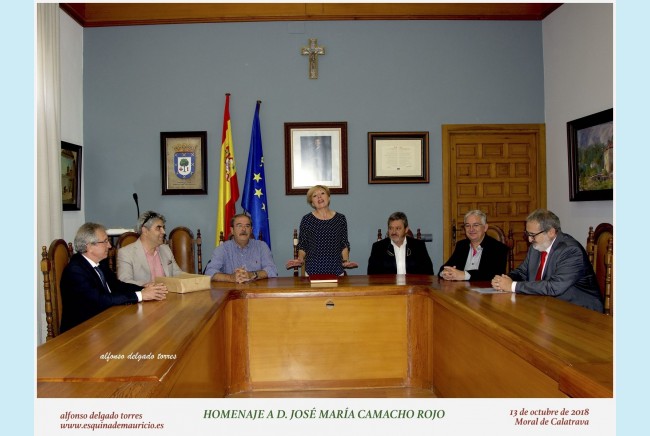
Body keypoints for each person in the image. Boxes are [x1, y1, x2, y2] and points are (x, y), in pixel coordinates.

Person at [60, 222, 168, 333]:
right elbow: (101, 300)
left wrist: (142, 288)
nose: (110, 246)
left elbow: (117, 285)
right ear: (89, 246)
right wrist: (141, 295)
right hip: (80, 332)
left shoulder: (100, 263)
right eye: (105, 241)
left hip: (102, 323)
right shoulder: (75, 271)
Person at [491, 209, 603, 313]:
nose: (529, 240)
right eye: (527, 234)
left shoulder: (571, 251)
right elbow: (522, 272)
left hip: (580, 311)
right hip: (548, 306)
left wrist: (512, 286)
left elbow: (554, 287)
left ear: (551, 232)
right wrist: (505, 279)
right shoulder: (536, 247)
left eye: (533, 235)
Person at [285, 185, 358, 276]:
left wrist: (346, 260)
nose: (319, 197)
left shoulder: (340, 218)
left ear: (329, 197)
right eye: (315, 196)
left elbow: (344, 243)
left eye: (322, 193)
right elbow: (303, 244)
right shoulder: (307, 219)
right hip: (313, 270)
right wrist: (300, 259)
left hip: (336, 270)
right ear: (312, 203)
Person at [204, 213, 278, 283]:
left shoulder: (261, 246)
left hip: (256, 292)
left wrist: (252, 275)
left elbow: (272, 270)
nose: (243, 229)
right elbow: (209, 272)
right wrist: (231, 278)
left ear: (251, 230)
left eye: (247, 226)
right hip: (230, 293)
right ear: (232, 230)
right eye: (239, 226)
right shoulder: (223, 249)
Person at [117, 211, 183, 286]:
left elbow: (178, 275)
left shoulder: (166, 249)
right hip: (144, 296)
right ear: (145, 230)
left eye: (163, 228)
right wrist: (148, 286)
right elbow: (124, 281)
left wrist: (195, 280)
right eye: (158, 228)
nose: (163, 232)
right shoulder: (126, 253)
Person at [439, 210, 508, 281]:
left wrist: (464, 275)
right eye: (467, 225)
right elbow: (445, 267)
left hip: (485, 290)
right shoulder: (461, 245)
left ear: (485, 227)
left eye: (476, 225)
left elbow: (494, 274)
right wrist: (445, 273)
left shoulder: (498, 248)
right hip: (461, 290)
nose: (471, 229)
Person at [367, 211, 433, 275]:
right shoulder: (378, 247)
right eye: (391, 228)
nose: (393, 232)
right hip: (388, 286)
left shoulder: (419, 246)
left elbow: (429, 272)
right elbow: (372, 275)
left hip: (413, 285)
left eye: (398, 228)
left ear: (406, 229)